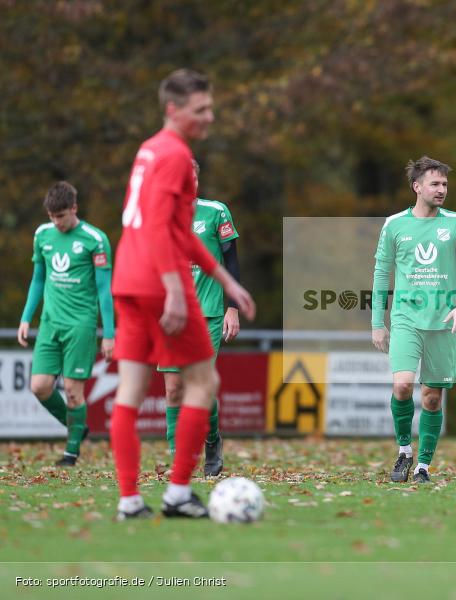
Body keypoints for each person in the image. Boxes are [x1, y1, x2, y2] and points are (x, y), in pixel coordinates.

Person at [110, 69, 255, 520]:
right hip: (158, 286)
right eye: (201, 110)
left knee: (131, 393)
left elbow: (173, 227)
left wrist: (225, 279)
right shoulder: (175, 154)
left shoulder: (150, 149)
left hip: (128, 281)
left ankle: (130, 500)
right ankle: (176, 493)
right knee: (204, 383)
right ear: (174, 110)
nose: (210, 117)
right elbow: (159, 228)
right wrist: (175, 290)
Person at [372, 156, 456, 484]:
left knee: (432, 397)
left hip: (444, 321)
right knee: (402, 385)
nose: (442, 189)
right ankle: (405, 451)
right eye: (435, 184)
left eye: (445, 184)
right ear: (417, 187)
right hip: (406, 318)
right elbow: (381, 272)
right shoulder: (394, 224)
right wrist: (378, 322)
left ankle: (424, 466)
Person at [17, 181, 115, 466]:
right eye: (51, 216)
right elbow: (38, 279)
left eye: (61, 216)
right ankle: (77, 428)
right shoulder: (42, 235)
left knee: (73, 392)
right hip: (49, 324)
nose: (56, 222)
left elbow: (103, 291)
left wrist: (108, 334)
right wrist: (26, 317)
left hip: (80, 326)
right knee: (40, 386)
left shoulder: (95, 239)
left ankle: (71, 453)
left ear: (74, 208)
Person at [157, 159, 241, 477]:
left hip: (207, 312)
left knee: (199, 385)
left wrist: (232, 307)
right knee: (174, 388)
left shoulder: (215, 211)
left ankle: (211, 439)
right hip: (171, 314)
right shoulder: (162, 216)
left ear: (196, 178)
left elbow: (231, 261)